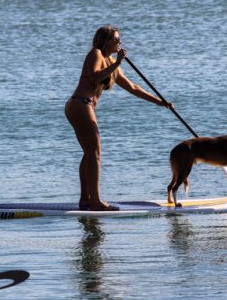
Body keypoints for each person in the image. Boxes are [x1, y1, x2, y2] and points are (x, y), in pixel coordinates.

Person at [65, 25, 173, 211]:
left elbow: (133, 87)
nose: (119, 43)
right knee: (94, 154)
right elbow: (93, 76)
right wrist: (118, 63)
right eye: (116, 40)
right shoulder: (96, 54)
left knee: (90, 153)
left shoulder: (110, 62)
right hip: (80, 105)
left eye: (119, 39)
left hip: (83, 106)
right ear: (105, 41)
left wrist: (159, 102)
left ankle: (85, 200)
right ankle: (96, 202)